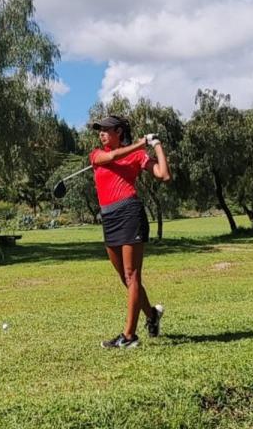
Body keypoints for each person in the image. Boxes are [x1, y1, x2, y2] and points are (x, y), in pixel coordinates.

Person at [89, 115, 171, 349]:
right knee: (126, 279)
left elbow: (164, 175)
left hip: (129, 213)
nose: (101, 134)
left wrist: (157, 145)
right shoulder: (96, 154)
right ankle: (152, 315)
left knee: (132, 275)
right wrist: (142, 142)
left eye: (105, 130)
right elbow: (114, 156)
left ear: (118, 131)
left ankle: (129, 336)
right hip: (109, 217)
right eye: (99, 130)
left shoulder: (137, 155)